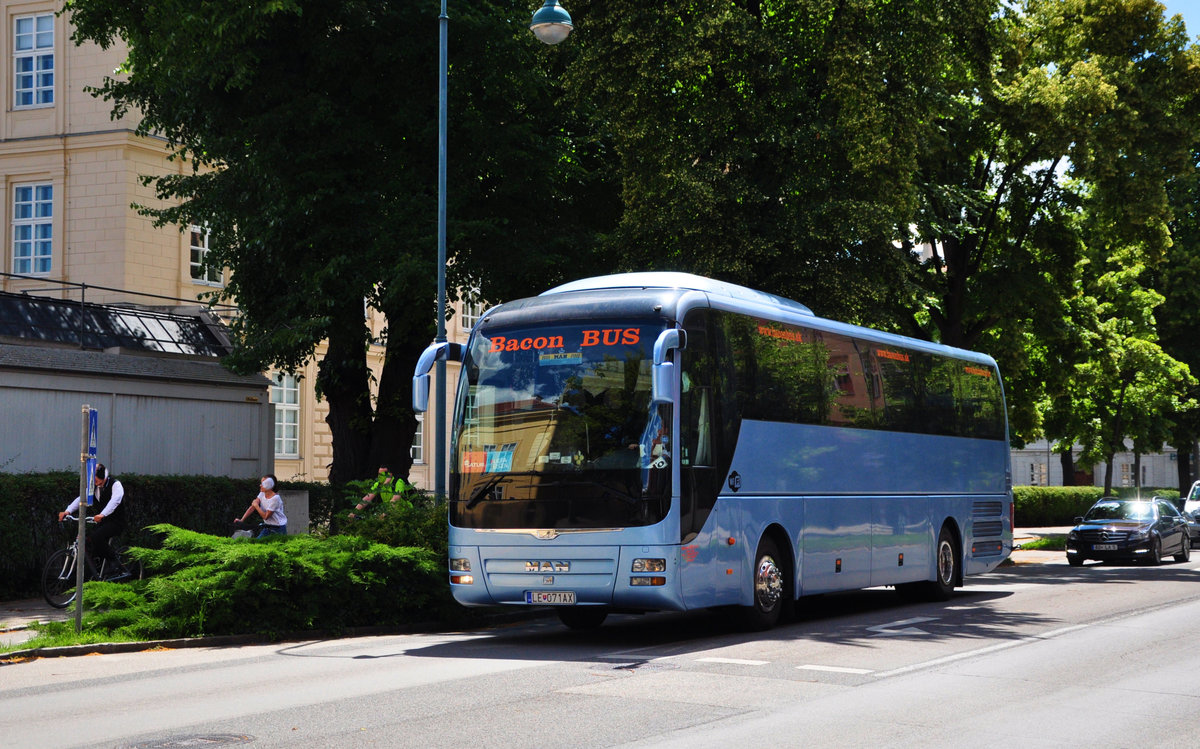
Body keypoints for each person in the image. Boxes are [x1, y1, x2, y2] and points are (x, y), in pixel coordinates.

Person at [58, 463, 128, 575]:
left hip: (116, 522)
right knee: (89, 540)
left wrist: (103, 514)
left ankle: (113, 561)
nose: (93, 480)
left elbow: (115, 501)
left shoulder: (115, 484)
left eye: (95, 477)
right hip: (103, 522)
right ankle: (96, 570)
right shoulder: (94, 487)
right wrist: (68, 511)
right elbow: (81, 498)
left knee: (97, 537)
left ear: (102, 476)